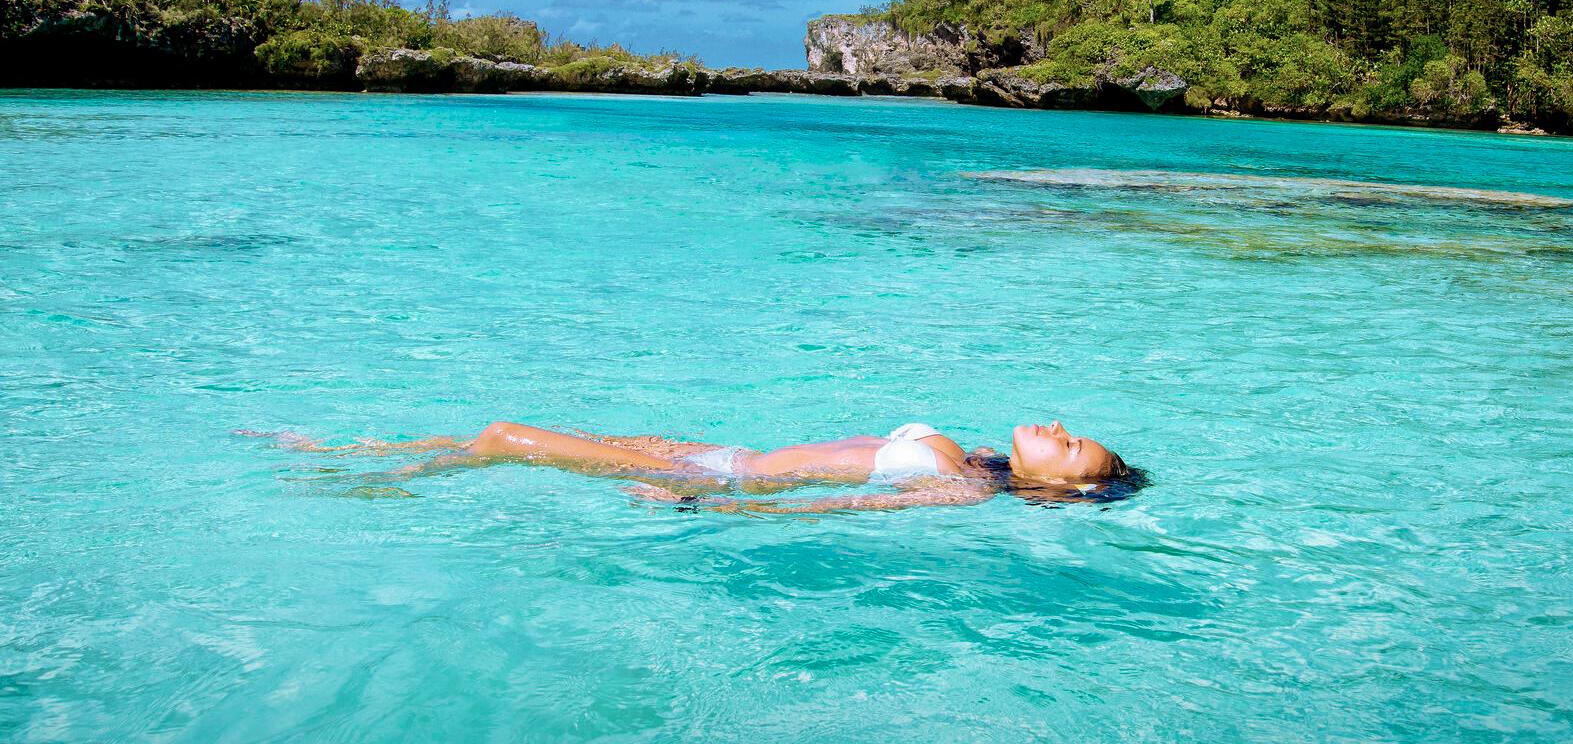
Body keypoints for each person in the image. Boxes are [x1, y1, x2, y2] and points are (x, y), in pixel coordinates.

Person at [251, 419, 1141, 513]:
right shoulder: (974, 455)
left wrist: (706, 503)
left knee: (503, 435)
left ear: (1055, 488)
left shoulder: (959, 488)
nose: (1057, 428)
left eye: (1066, 447)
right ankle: (346, 453)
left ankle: (349, 483)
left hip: (722, 478)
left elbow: (829, 509)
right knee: (505, 431)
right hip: (716, 453)